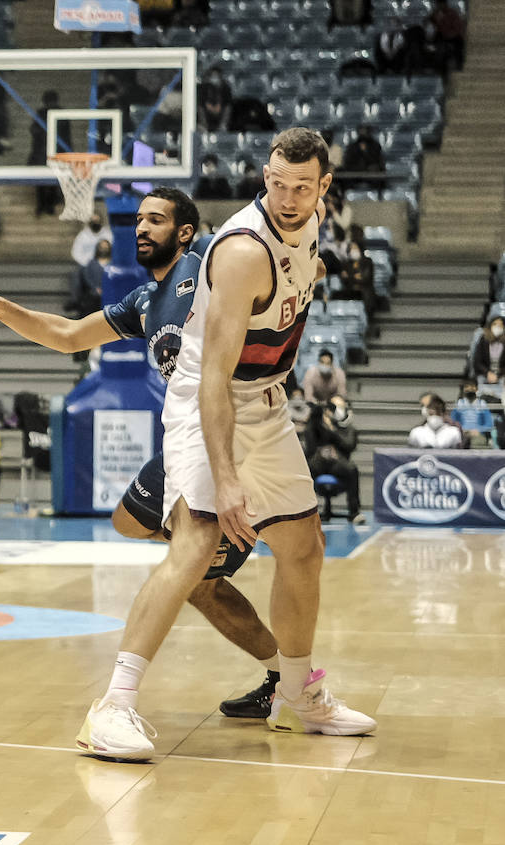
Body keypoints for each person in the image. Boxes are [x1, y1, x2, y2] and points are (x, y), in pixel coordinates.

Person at [81, 128, 376, 759]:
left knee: (303, 546)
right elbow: (212, 378)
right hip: (207, 400)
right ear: (263, 175)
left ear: (323, 187)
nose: (288, 197)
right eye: (277, 182)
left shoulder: (312, 220)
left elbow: (304, 276)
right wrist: (229, 478)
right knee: (196, 543)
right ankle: (112, 707)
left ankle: (296, 696)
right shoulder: (243, 251)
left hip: (266, 402)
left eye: (302, 186)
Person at [0, 187, 281, 719]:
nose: (141, 228)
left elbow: (267, 262)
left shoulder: (210, 265)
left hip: (230, 436)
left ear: (185, 232)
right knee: (127, 522)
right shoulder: (145, 299)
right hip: (187, 438)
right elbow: (70, 334)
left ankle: (283, 675)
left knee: (199, 585)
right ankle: (214, 552)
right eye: (139, 220)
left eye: (156, 220)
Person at [305, 395, 365, 523]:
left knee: (352, 469)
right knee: (302, 471)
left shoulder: (348, 429)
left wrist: (332, 431)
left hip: (338, 465)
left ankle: (354, 512)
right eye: (332, 407)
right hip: (319, 463)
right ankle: (301, 513)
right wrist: (317, 423)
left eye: (339, 407)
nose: (334, 410)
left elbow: (349, 445)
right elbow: (310, 449)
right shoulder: (316, 426)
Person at [452, 380, 494, 447]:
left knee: (478, 443)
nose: (469, 389)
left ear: (476, 389)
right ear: (463, 390)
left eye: (472, 387)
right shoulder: (459, 403)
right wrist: (461, 430)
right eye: (467, 387)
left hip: (477, 434)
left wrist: (479, 430)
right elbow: (453, 421)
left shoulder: (482, 404)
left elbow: (489, 424)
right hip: (462, 433)